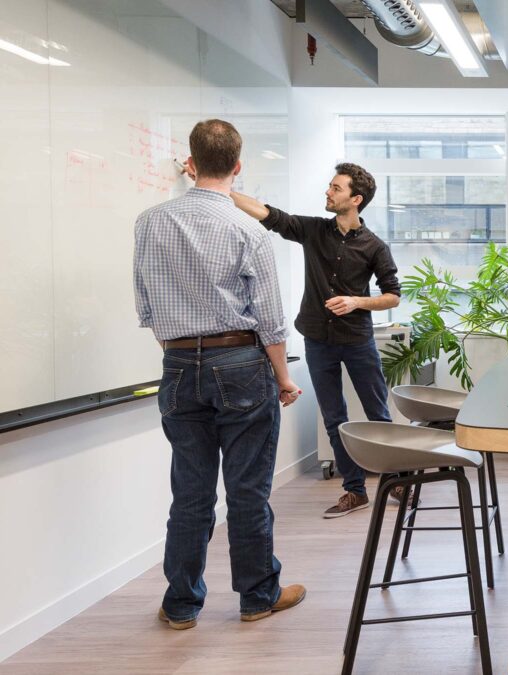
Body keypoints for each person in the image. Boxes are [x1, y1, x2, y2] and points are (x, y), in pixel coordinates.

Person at [134, 119, 305, 630]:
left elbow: (147, 308)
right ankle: (257, 598)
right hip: (242, 366)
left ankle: (181, 605)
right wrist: (283, 378)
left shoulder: (148, 222)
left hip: (179, 365)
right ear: (237, 166)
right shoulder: (246, 228)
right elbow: (271, 320)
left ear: (190, 163)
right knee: (248, 490)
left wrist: (184, 354)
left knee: (190, 493)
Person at [232, 164, 402, 519]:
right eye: (329, 186)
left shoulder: (375, 247)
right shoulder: (313, 230)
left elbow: (393, 296)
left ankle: (397, 479)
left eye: (335, 188)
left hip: (357, 340)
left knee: (377, 415)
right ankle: (354, 491)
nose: (328, 192)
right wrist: (222, 190)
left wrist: (356, 301)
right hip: (318, 340)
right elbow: (268, 214)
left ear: (355, 199)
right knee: (334, 418)